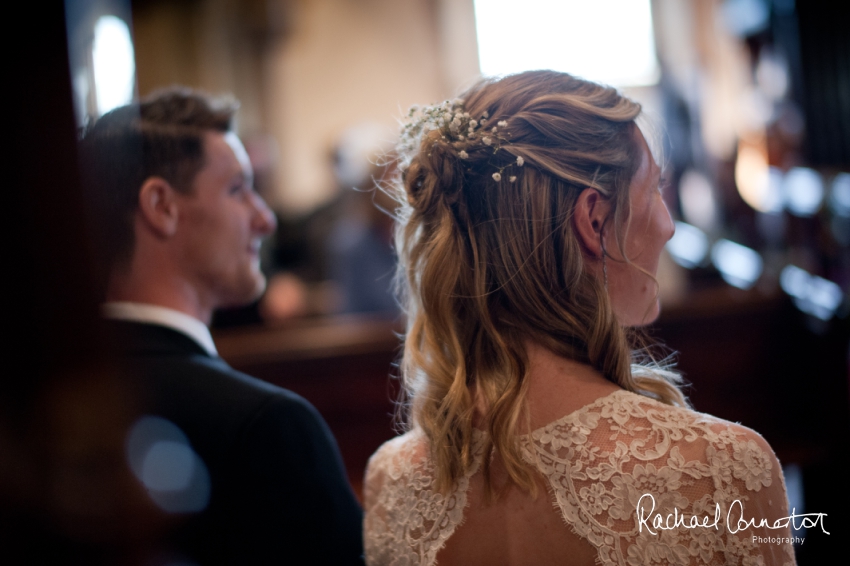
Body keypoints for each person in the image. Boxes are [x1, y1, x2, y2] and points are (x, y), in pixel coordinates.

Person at [363, 71, 796, 566]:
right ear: (593, 221)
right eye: (654, 189)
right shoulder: (720, 469)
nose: (669, 225)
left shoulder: (390, 482)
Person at [79, 88, 364, 565]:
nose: (265, 218)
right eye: (237, 189)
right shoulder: (269, 426)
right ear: (161, 206)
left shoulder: (53, 404)